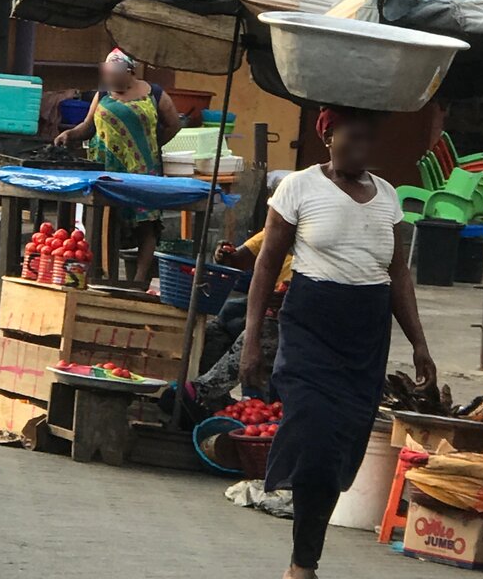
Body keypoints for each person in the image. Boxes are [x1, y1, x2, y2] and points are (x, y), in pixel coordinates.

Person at [240, 107, 437, 579]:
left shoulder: (388, 197)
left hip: (366, 336)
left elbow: (398, 277)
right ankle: (301, 563)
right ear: (328, 137)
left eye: (370, 139)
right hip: (311, 328)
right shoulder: (299, 188)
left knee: (339, 451)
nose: (363, 147)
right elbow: (266, 265)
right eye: (353, 136)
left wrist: (420, 344)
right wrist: (251, 339)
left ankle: (304, 561)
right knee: (316, 436)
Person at [54, 49, 181, 282]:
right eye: (107, 76)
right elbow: (87, 126)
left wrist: (150, 147)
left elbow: (173, 124)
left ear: (129, 72)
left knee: (147, 223)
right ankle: (99, 273)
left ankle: (140, 280)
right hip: (105, 167)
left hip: (144, 168)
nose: (110, 81)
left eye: (114, 76)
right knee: (103, 220)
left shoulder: (155, 93)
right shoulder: (102, 95)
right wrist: (70, 134)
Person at [168, 232, 292, 421]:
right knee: (218, 328)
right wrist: (224, 255)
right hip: (265, 307)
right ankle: (215, 407)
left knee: (263, 334)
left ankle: (202, 391)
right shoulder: (281, 228)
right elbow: (238, 260)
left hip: (295, 318)